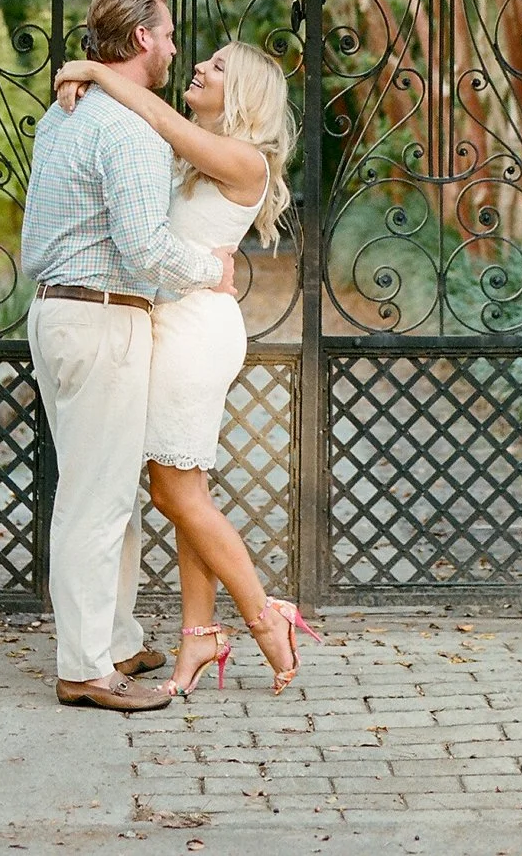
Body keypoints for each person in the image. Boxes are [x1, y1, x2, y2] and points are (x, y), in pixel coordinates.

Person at [54, 39, 319, 697]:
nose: (199, 65)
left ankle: (266, 616)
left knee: (176, 493)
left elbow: (160, 119)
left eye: (220, 66)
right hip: (172, 324)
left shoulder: (242, 158)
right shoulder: (194, 155)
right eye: (204, 58)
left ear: (246, 96)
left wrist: (94, 71)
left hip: (194, 331)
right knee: (186, 490)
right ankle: (198, 638)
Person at [19, 0, 227, 712]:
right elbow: (143, 245)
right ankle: (84, 666)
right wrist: (214, 270)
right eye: (168, 35)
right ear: (142, 39)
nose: (175, 47)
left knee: (108, 490)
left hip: (65, 313)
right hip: (100, 317)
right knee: (95, 497)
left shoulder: (65, 111)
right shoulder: (127, 128)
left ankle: (114, 638)